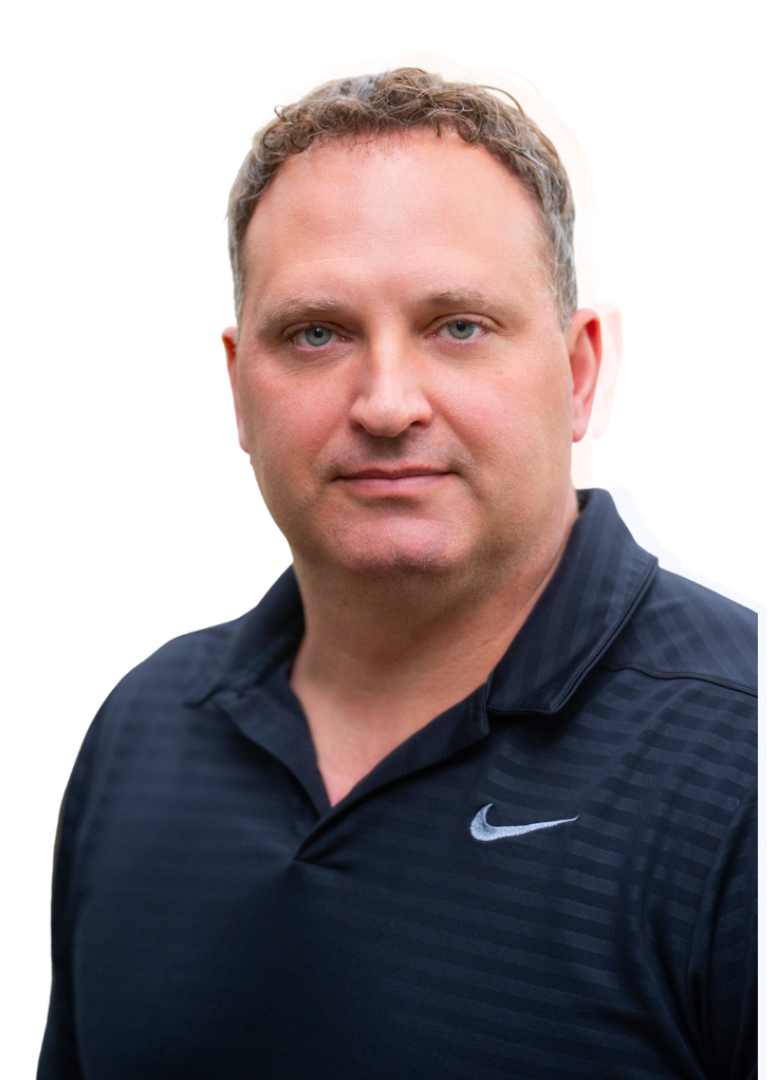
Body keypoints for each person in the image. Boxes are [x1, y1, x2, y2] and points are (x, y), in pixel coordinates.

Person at [37, 61, 758, 1080]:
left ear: (580, 369)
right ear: (238, 387)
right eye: (317, 333)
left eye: (457, 326)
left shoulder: (745, 759)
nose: (385, 404)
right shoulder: (143, 728)